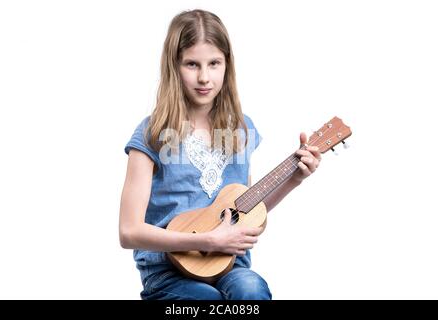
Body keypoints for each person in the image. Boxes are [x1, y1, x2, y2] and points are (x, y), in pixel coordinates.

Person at [119, 9, 321, 300]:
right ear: (174, 67)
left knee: (251, 290)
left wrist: (295, 178)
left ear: (227, 65)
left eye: (214, 63)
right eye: (192, 64)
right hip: (167, 273)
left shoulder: (241, 130)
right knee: (205, 300)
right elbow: (128, 231)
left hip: (229, 267)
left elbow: (245, 208)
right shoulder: (151, 134)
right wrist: (208, 239)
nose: (204, 77)